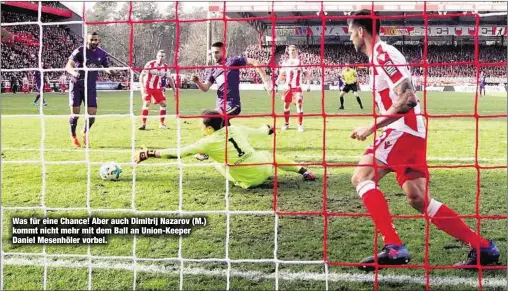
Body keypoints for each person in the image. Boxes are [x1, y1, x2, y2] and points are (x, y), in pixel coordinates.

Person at [347, 9, 499, 271]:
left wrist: (372, 127)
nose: (350, 38)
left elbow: (409, 99)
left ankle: (393, 246)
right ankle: (483, 247)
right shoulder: (378, 58)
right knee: (418, 198)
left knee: (362, 177)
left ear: (361, 31)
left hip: (401, 130)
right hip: (411, 131)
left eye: (350, 32)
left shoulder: (383, 54)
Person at [134, 109, 316, 189]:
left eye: (201, 125)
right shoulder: (236, 128)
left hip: (246, 180)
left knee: (216, 161)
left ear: (210, 129)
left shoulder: (207, 141)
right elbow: (260, 131)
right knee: (270, 155)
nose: (199, 128)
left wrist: (149, 153)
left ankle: (209, 159)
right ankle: (304, 171)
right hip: (263, 167)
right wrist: (268, 129)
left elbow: (177, 153)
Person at [191, 41, 271, 123]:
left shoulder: (233, 61)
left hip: (232, 104)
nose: (214, 55)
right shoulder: (213, 69)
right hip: (220, 106)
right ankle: (265, 130)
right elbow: (205, 88)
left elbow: (255, 62)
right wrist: (197, 81)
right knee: (215, 123)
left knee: (212, 120)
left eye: (217, 52)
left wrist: (266, 81)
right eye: (212, 53)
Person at [65, 32, 112, 147]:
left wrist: (110, 70)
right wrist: (73, 72)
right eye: (92, 40)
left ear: (99, 40)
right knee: (75, 114)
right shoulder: (79, 51)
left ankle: (85, 132)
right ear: (87, 40)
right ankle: (73, 136)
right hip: (76, 85)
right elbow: (68, 66)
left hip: (90, 87)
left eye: (96, 40)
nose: (94, 42)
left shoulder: (102, 53)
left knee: (92, 116)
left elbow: (106, 67)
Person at [276, 45, 311, 132]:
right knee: (286, 105)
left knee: (299, 103)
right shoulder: (285, 62)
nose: (291, 51)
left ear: (296, 51)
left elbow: (306, 73)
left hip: (297, 87)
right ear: (288, 51)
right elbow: (281, 74)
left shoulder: (299, 62)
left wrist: (308, 84)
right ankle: (286, 124)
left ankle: (300, 125)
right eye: (290, 50)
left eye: (293, 50)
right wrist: (276, 82)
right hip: (287, 88)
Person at [139, 50, 175, 130]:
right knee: (147, 103)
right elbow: (141, 75)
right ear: (156, 56)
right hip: (148, 87)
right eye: (159, 56)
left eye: (162, 56)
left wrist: (174, 90)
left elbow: (170, 79)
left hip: (157, 88)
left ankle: (162, 124)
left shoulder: (165, 67)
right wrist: (142, 87)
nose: (161, 58)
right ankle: (143, 124)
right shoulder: (150, 64)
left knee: (163, 104)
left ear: (164, 57)